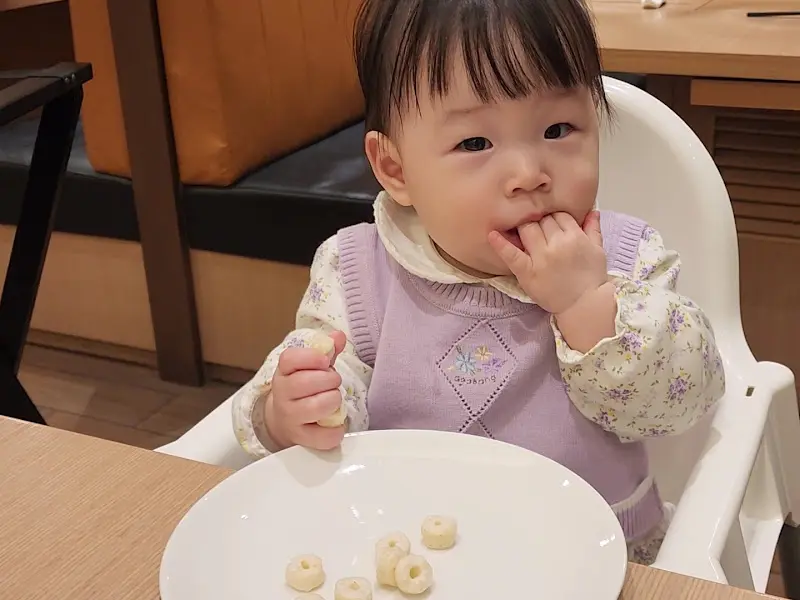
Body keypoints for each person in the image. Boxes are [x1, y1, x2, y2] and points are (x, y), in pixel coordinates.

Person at [231, 0, 726, 564]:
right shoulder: (359, 271)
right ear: (396, 170)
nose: (528, 175)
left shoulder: (626, 261)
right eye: (474, 144)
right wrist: (293, 409)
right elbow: (321, 370)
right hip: (412, 546)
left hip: (590, 551)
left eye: (558, 129)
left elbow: (683, 403)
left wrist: (589, 304)